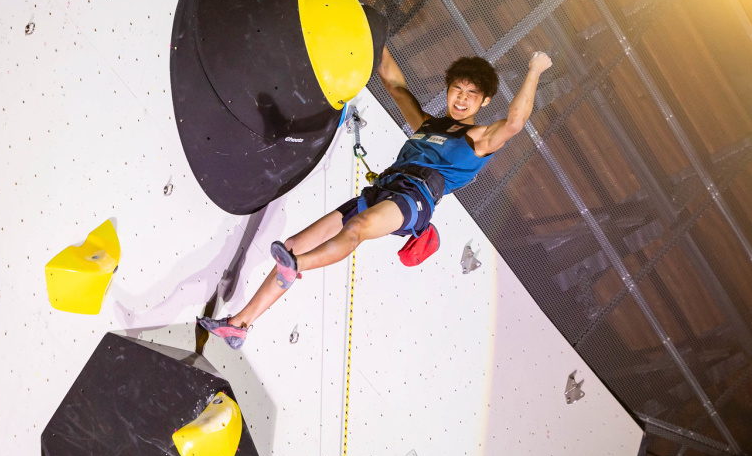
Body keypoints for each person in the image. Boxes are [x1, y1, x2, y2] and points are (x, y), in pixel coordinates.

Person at [199, 46, 553, 348]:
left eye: (471, 94)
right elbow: (395, 84)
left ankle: (299, 267)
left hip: (415, 199)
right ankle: (241, 324)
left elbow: (515, 123)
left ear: (484, 101)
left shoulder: (480, 138)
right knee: (294, 244)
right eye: (456, 89)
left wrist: (534, 70)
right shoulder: (427, 125)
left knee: (357, 228)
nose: (461, 98)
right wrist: (375, 34)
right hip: (384, 189)